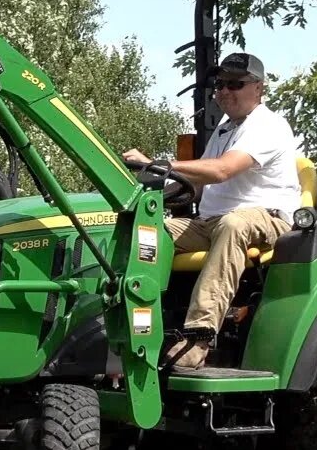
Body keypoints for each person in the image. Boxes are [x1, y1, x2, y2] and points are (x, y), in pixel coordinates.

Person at [122, 52, 300, 370]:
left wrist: (156, 164)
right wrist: (137, 192)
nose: (225, 91)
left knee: (233, 225)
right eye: (220, 84)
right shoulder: (224, 129)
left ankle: (197, 338)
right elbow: (197, 184)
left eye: (236, 84)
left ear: (258, 88)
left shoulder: (268, 125)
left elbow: (221, 171)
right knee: (144, 230)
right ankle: (130, 329)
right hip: (209, 223)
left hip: (266, 219)